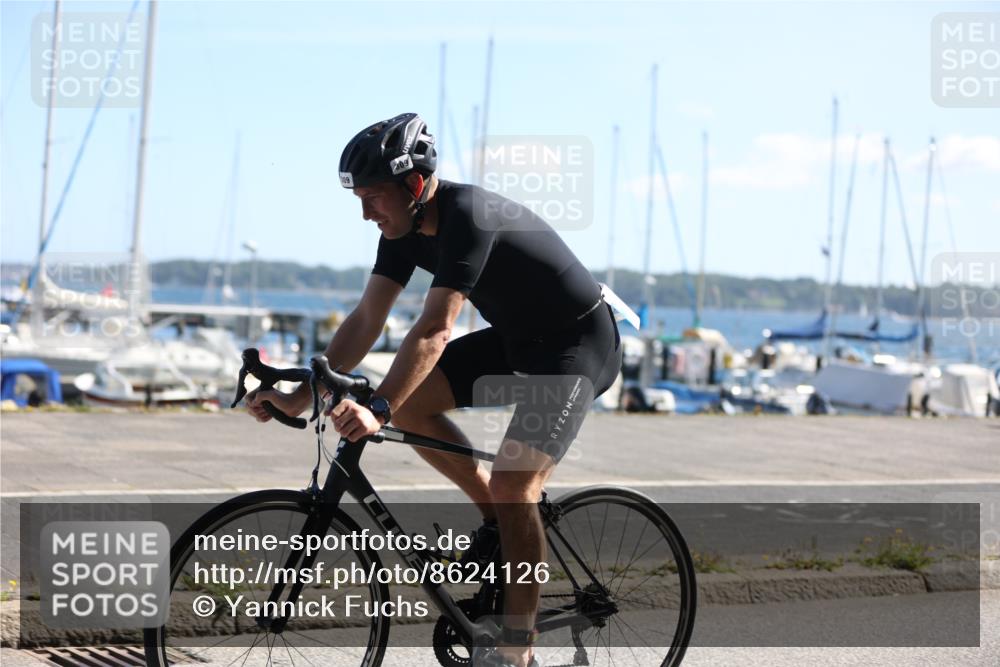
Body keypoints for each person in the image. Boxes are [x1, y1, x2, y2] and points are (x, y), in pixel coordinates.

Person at [246, 113, 622, 667]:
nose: (366, 212)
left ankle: (518, 651)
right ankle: (496, 519)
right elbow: (368, 317)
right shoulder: (400, 232)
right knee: (416, 409)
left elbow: (435, 329)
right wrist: (303, 395)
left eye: (373, 197)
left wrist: (377, 407)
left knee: (516, 482)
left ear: (415, 185)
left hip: (576, 346)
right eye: (360, 198)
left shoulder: (470, 216)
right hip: (519, 341)